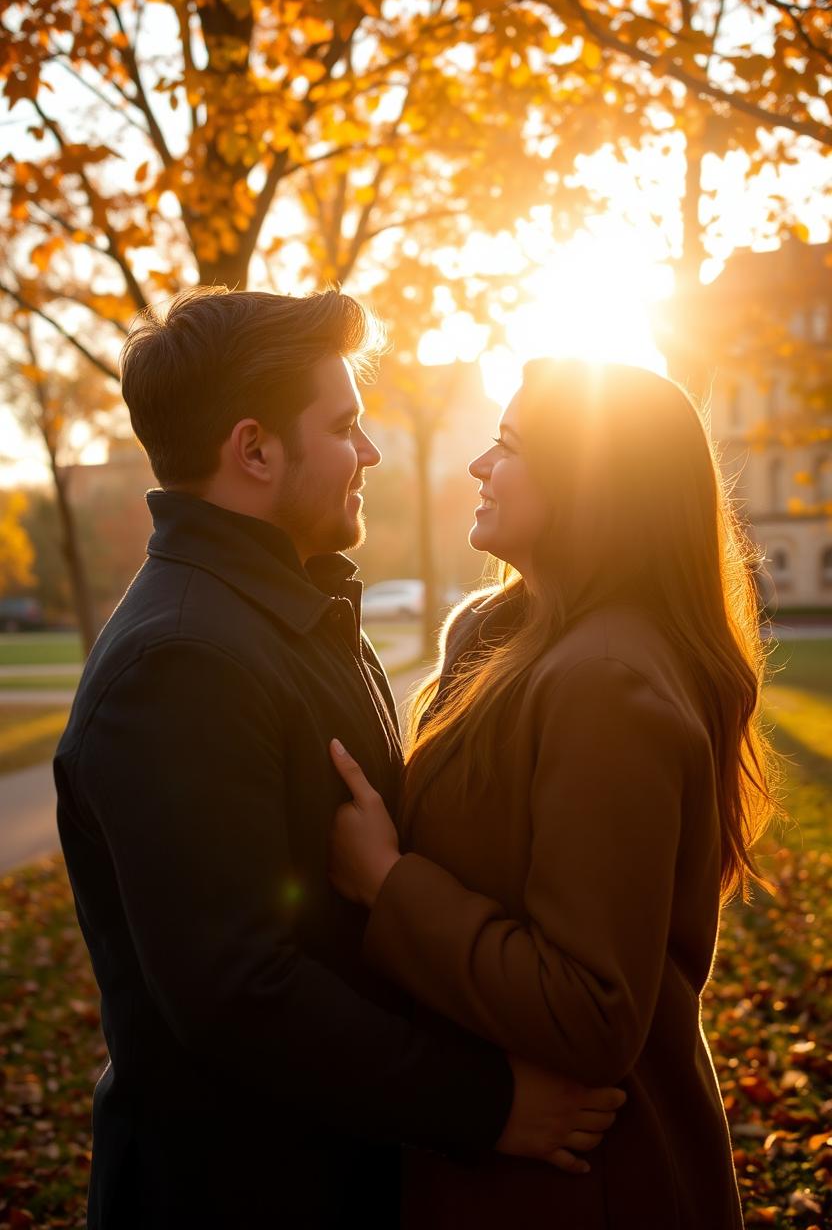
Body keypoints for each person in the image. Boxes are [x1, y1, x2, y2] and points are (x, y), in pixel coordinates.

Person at [55, 291, 625, 1230]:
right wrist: (488, 1106)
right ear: (255, 450)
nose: (370, 455)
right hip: (241, 1193)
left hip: (332, 1167)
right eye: (346, 427)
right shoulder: (184, 661)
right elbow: (241, 994)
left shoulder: (292, 608)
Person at [328, 359, 779, 1229]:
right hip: (497, 1169)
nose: (477, 468)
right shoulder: (510, 637)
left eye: (507, 447)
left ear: (591, 489)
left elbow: (591, 1010)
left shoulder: (607, 687)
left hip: (586, 1183)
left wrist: (388, 885)